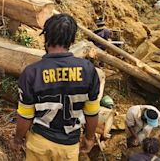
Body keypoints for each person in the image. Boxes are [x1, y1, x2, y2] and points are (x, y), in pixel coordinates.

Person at [11, 14, 101, 160]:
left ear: (46, 39)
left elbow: (25, 115)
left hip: (40, 143)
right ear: (72, 40)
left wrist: (17, 139)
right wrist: (89, 138)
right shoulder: (88, 70)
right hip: (69, 147)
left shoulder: (32, 73)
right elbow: (92, 112)